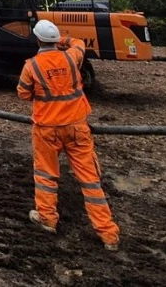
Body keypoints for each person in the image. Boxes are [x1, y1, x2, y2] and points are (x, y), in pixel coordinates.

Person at [17, 19, 121, 251]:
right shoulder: (71, 56)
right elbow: (79, 43)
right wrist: (62, 40)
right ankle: (108, 234)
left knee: (45, 175)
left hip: (47, 129)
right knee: (90, 180)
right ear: (55, 40)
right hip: (76, 127)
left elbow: (23, 94)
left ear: (37, 40)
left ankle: (47, 218)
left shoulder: (31, 66)